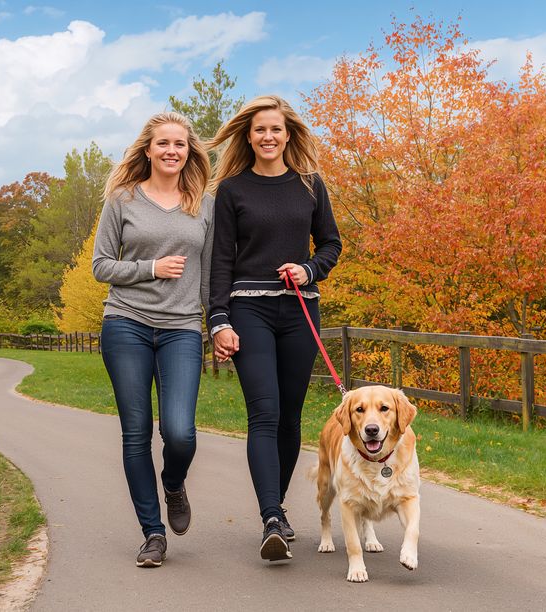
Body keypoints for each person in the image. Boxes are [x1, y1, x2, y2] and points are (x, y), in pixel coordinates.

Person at [207, 95, 341, 562]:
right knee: (263, 412)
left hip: (300, 310)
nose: (268, 137)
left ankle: (277, 511)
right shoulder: (232, 190)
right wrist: (218, 319)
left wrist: (309, 269)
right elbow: (220, 259)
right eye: (260, 130)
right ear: (249, 136)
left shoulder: (310, 185)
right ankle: (270, 516)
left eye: (276, 130)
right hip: (249, 310)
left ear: (288, 135)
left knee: (290, 417)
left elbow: (331, 244)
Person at [92, 112, 213, 568]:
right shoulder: (122, 199)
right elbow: (101, 265)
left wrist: (216, 323)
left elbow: (207, 274)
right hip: (126, 323)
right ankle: (153, 533)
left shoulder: (204, 203)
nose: (171, 151)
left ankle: (174, 483)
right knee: (136, 433)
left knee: (180, 433)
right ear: (148, 149)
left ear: (189, 152)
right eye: (163, 143)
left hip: (182, 327)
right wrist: (150, 269)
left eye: (179, 144)